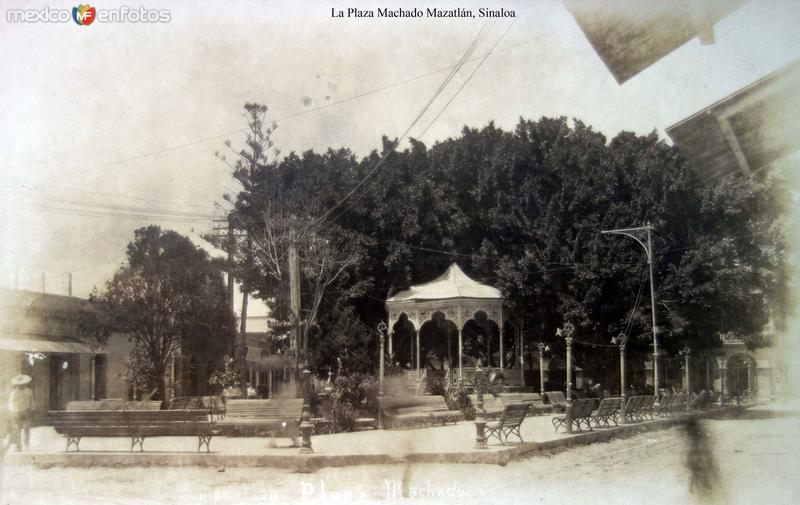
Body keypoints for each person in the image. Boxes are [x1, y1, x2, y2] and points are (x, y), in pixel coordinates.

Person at [8, 374, 33, 452]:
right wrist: (12, 411)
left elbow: (31, 402)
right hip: (17, 412)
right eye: (20, 384)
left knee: (27, 429)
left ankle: (26, 445)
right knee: (17, 430)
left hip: (26, 411)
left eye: (23, 384)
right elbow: (10, 402)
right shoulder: (14, 392)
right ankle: (19, 446)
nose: (22, 385)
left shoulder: (29, 391)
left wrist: (31, 410)